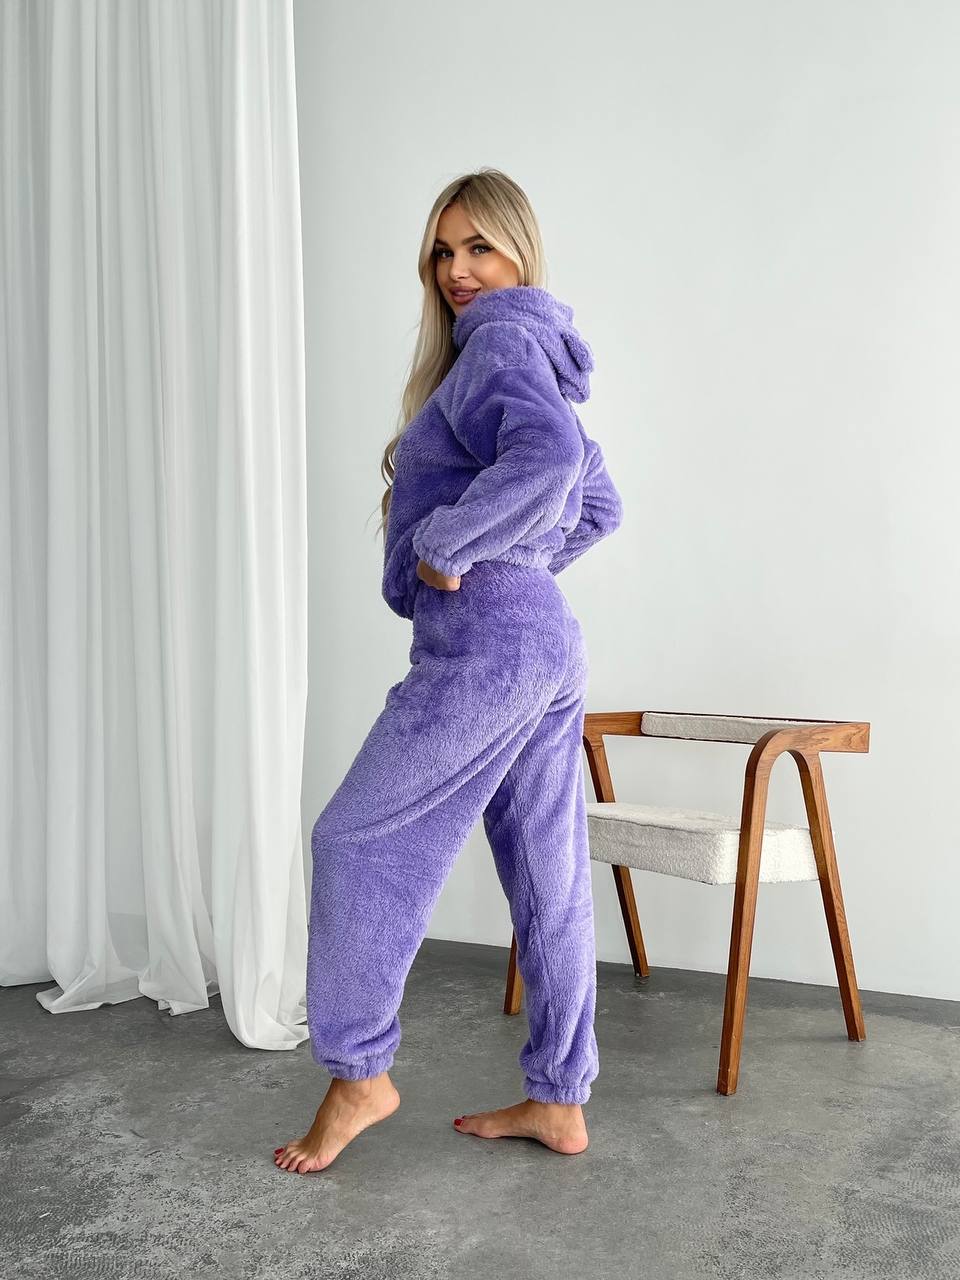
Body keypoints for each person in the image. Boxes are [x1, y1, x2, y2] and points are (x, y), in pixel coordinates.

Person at [275, 168, 623, 1174]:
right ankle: (561, 1099)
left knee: (353, 839)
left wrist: (459, 545)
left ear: (520, 251)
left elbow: (555, 468)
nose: (458, 269)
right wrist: (517, 564)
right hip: (544, 640)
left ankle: (358, 1072)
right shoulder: (527, 354)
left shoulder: (505, 340)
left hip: (488, 644)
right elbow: (598, 502)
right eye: (442, 250)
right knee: (548, 876)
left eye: (480, 246)